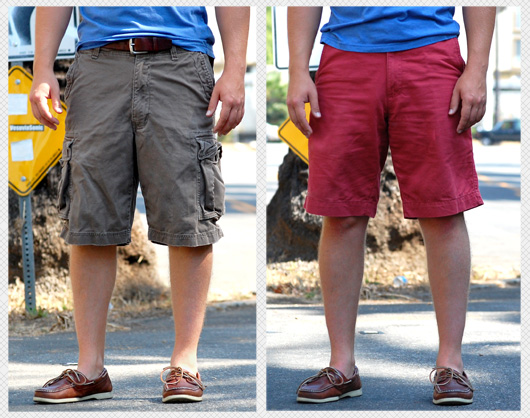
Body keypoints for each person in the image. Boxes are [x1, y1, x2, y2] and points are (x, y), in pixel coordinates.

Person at [29, 6, 249, 404]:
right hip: (98, 62)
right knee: (89, 218)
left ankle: (185, 363)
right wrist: (42, 67)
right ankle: (90, 368)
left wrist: (235, 69)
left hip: (181, 61)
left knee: (189, 215)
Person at [287, 6, 495, 406]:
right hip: (345, 58)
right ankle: (342, 366)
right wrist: (299, 70)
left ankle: (451, 363)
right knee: (342, 211)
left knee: (443, 209)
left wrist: (478, 68)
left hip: (432, 53)